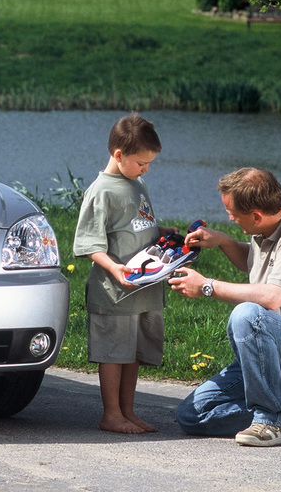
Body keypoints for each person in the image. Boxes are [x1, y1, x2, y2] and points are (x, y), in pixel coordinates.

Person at [169, 168, 281, 447]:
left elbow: (273, 296)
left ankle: (272, 420)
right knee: (192, 415)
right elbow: (255, 264)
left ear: (256, 215)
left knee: (248, 315)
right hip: (274, 352)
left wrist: (207, 286)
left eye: (233, 213)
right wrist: (224, 241)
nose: (229, 217)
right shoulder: (267, 228)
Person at [74, 113, 177, 434]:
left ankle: (128, 411)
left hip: (142, 287)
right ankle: (111, 414)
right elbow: (90, 243)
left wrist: (162, 231)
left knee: (132, 353)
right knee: (114, 352)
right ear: (119, 155)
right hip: (115, 290)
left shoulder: (137, 183)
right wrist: (113, 267)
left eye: (149, 163)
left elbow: (134, 224)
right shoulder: (101, 191)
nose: (146, 169)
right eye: (141, 163)